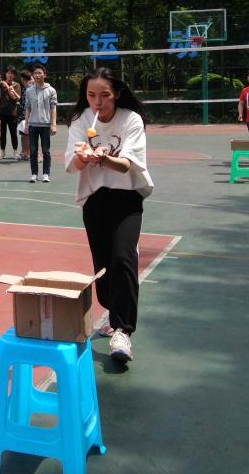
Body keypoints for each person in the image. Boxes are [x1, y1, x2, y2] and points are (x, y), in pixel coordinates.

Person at [65, 67, 153, 363]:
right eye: (91, 95)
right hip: (95, 198)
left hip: (127, 197)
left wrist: (104, 157)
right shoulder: (80, 120)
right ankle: (113, 313)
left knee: (123, 257)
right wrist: (82, 156)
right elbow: (73, 165)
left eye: (104, 95)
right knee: (103, 266)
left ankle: (123, 331)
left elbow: (127, 165)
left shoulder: (131, 120)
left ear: (117, 94)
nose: (98, 102)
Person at [23, 64, 57, 183]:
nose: (37, 75)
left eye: (39, 73)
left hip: (45, 125)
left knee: (46, 151)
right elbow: (27, 108)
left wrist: (53, 124)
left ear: (45, 75)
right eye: (35, 73)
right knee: (33, 151)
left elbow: (53, 108)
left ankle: (46, 174)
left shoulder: (51, 90)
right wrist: (26, 124)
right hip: (33, 125)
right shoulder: (29, 91)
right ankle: (34, 174)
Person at [0, 67, 22, 160]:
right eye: (8, 73)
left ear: (14, 75)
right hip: (1, 113)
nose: (10, 75)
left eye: (12, 73)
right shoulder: (1, 84)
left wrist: (8, 87)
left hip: (12, 114)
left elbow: (14, 98)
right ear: (5, 74)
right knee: (2, 134)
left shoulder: (17, 85)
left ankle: (15, 151)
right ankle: (2, 151)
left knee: (13, 133)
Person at [16, 68, 33, 161]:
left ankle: (28, 153)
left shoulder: (29, 88)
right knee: (23, 135)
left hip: (27, 116)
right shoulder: (25, 88)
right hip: (22, 116)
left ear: (22, 78)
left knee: (27, 136)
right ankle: (24, 152)